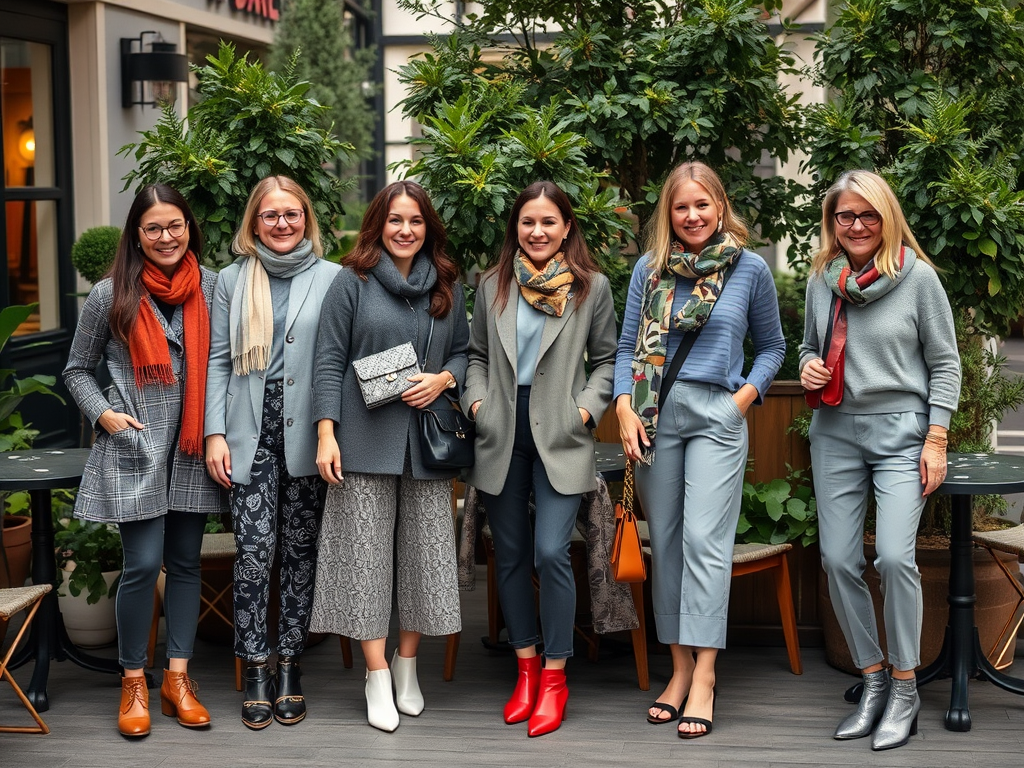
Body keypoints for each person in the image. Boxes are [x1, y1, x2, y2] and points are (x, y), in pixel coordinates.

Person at [615, 161, 785, 738]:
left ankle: (707, 673)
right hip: (654, 417)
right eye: (681, 207)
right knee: (663, 542)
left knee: (704, 544)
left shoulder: (750, 268)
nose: (692, 216)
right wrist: (621, 406)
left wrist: (741, 400)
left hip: (716, 414)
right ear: (669, 212)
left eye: (702, 205)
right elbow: (624, 348)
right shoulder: (649, 268)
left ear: (721, 207)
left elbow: (773, 347)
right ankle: (679, 668)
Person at [799, 169, 960, 751]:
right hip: (835, 431)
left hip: (901, 435)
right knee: (838, 560)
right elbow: (808, 346)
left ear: (887, 218)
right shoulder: (823, 278)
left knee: (894, 557)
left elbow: (946, 364)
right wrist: (807, 367)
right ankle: (871, 678)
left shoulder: (918, 280)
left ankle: (905, 686)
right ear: (833, 223)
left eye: (869, 215)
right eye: (846, 216)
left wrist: (935, 439)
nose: (858, 225)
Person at [309, 180, 468, 733]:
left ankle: (407, 666)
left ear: (429, 228)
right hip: (362, 442)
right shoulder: (350, 282)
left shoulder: (446, 284)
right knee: (366, 564)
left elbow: (467, 353)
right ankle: (375, 674)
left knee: (424, 561)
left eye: (416, 221)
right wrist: (326, 435)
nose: (405, 230)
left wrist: (445, 377)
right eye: (395, 220)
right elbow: (328, 360)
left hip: (427, 445)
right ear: (377, 224)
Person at [462, 180, 617, 738]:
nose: (538, 231)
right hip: (502, 430)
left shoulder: (591, 287)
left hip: (560, 430)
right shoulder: (490, 285)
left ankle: (555, 676)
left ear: (566, 226)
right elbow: (476, 355)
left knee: (551, 551)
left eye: (549, 222)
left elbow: (606, 361)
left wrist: (584, 410)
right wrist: (477, 403)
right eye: (528, 222)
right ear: (516, 228)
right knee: (508, 556)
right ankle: (524, 669)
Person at [64, 184, 220, 737]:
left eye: (174, 225)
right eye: (153, 228)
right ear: (137, 234)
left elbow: (221, 365)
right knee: (141, 565)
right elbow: (76, 369)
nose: (165, 237)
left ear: (188, 228)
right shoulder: (110, 295)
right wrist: (104, 414)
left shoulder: (212, 287)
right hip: (137, 447)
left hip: (193, 447)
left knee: (184, 563)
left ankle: (178, 678)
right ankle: (134, 680)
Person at [204, 176, 341, 730]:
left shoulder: (334, 279)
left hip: (310, 430)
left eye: (292, 214)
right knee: (256, 551)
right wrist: (214, 432)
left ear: (306, 218)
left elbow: (339, 358)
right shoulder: (232, 281)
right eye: (270, 216)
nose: (282, 224)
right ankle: (255, 666)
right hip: (248, 431)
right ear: (253, 222)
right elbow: (217, 359)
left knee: (301, 551)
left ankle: (290, 665)